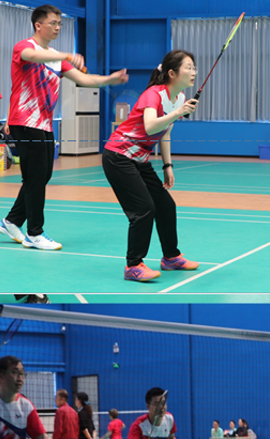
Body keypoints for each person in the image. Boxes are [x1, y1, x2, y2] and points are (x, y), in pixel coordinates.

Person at [0, 4, 129, 251]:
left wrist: (110, 79)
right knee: (35, 177)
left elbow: (84, 79)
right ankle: (34, 233)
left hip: (44, 124)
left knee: (42, 176)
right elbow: (32, 56)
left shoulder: (56, 58)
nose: (58, 27)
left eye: (60, 24)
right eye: (53, 23)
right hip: (24, 121)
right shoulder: (24, 47)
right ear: (38, 25)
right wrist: (66, 55)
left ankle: (11, 221)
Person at [103, 50, 200, 280]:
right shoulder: (153, 94)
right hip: (119, 156)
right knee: (143, 209)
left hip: (140, 159)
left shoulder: (179, 98)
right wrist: (178, 113)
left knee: (166, 205)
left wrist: (168, 166)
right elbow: (150, 126)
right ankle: (133, 265)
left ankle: (171, 257)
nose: (193, 72)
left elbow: (165, 132)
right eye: (188, 67)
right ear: (172, 73)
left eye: (194, 67)